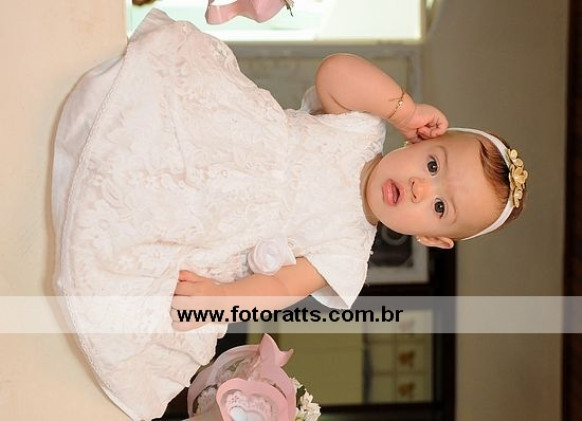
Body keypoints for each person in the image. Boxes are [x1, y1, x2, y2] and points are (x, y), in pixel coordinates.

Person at [51, 9, 527, 420]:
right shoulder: (361, 129)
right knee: (140, 132)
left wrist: (221, 299)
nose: (422, 187)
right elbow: (336, 73)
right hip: (218, 138)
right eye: (433, 165)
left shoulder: (346, 253)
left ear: (432, 238)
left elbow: (279, 286)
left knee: (129, 252)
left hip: (214, 228)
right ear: (419, 139)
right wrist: (403, 109)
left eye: (439, 207)